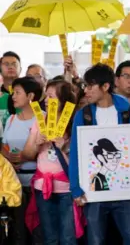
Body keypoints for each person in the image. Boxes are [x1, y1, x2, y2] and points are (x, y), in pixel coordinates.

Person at [68, 64, 130, 245]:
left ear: (105, 87)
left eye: (90, 86)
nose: (86, 91)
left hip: (126, 190)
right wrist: (75, 187)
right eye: (85, 86)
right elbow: (76, 152)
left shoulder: (127, 111)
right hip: (93, 192)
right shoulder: (84, 115)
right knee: (96, 240)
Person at [22, 80, 82, 244]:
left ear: (64, 100)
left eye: (51, 96)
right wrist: (37, 144)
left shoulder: (75, 122)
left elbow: (85, 159)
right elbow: (26, 154)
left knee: (68, 237)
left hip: (67, 190)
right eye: (46, 96)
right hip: (43, 188)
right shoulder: (40, 119)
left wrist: (65, 148)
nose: (46, 100)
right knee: (49, 237)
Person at [2, 76, 43, 245]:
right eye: (13, 93)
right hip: (14, 184)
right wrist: (8, 156)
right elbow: (4, 145)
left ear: (30, 96)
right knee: (19, 230)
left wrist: (26, 156)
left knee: (38, 228)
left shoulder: (42, 119)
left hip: (38, 183)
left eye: (17, 92)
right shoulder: (11, 119)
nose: (13, 96)